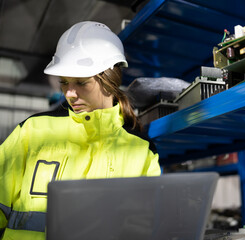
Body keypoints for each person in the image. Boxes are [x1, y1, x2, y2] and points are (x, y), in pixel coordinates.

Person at [0, 21, 161, 240]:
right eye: (64, 82)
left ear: (110, 80)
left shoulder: (141, 150)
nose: (69, 94)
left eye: (81, 82)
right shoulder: (32, 131)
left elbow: (143, 227)